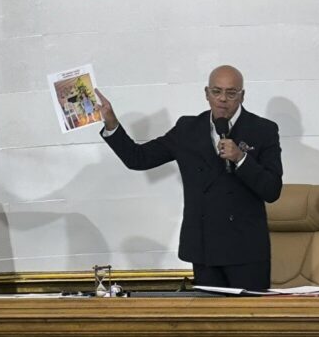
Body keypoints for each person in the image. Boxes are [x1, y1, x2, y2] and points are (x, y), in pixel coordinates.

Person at [96, 65, 283, 290]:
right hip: (204, 249)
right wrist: (111, 123)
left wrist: (241, 158)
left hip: (246, 252)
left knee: (249, 322)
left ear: (242, 95)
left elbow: (272, 190)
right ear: (206, 93)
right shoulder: (188, 129)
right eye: (216, 91)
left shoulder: (263, 130)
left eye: (231, 93)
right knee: (209, 323)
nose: (223, 99)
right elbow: (139, 158)